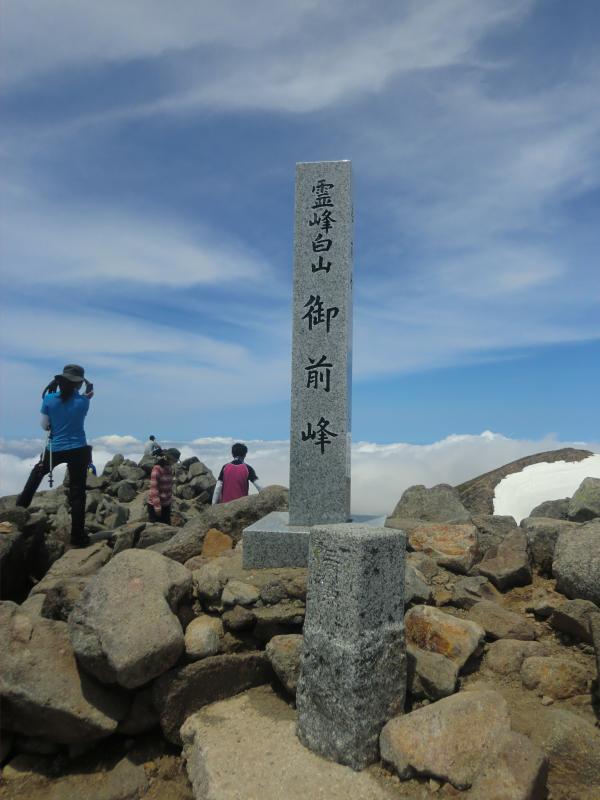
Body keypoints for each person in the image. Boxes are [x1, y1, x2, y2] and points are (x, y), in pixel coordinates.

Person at [16, 364, 94, 548]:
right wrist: (88, 391)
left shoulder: (49, 399)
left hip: (55, 448)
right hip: (78, 449)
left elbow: (45, 426)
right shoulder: (84, 402)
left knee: (37, 475)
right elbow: (83, 397)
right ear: (79, 383)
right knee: (78, 493)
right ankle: (77, 537)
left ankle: (18, 512)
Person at [147, 447, 180, 524]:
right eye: (175, 460)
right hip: (155, 506)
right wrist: (157, 507)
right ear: (169, 458)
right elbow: (154, 489)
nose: (175, 462)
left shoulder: (169, 468)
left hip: (166, 505)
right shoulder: (157, 469)